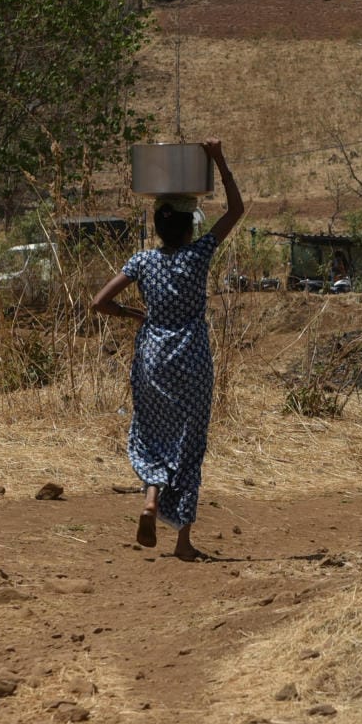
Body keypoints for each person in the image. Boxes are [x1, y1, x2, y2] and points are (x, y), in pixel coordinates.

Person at [92, 139, 243, 561]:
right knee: (189, 444)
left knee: (155, 433)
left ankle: (150, 499)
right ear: (189, 226)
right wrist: (218, 159)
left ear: (158, 226)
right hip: (192, 356)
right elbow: (235, 211)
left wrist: (136, 316)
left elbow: (99, 302)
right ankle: (183, 541)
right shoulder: (199, 255)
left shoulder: (142, 262)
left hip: (153, 357)